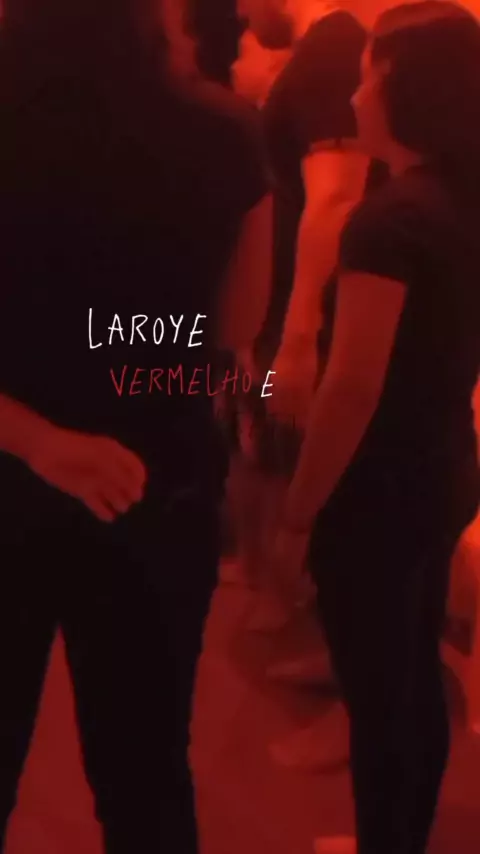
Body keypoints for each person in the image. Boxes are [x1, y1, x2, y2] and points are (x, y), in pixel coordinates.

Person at [0, 0, 272, 851]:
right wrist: (125, 353)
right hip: (157, 482)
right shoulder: (227, 132)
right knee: (145, 775)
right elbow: (233, 326)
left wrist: (42, 440)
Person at [272, 3, 480, 851]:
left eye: (367, 78)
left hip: (380, 489)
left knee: (379, 701)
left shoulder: (387, 223)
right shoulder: (459, 198)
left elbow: (352, 387)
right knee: (413, 681)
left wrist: (299, 508)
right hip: (445, 465)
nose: (354, 97)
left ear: (405, 90)